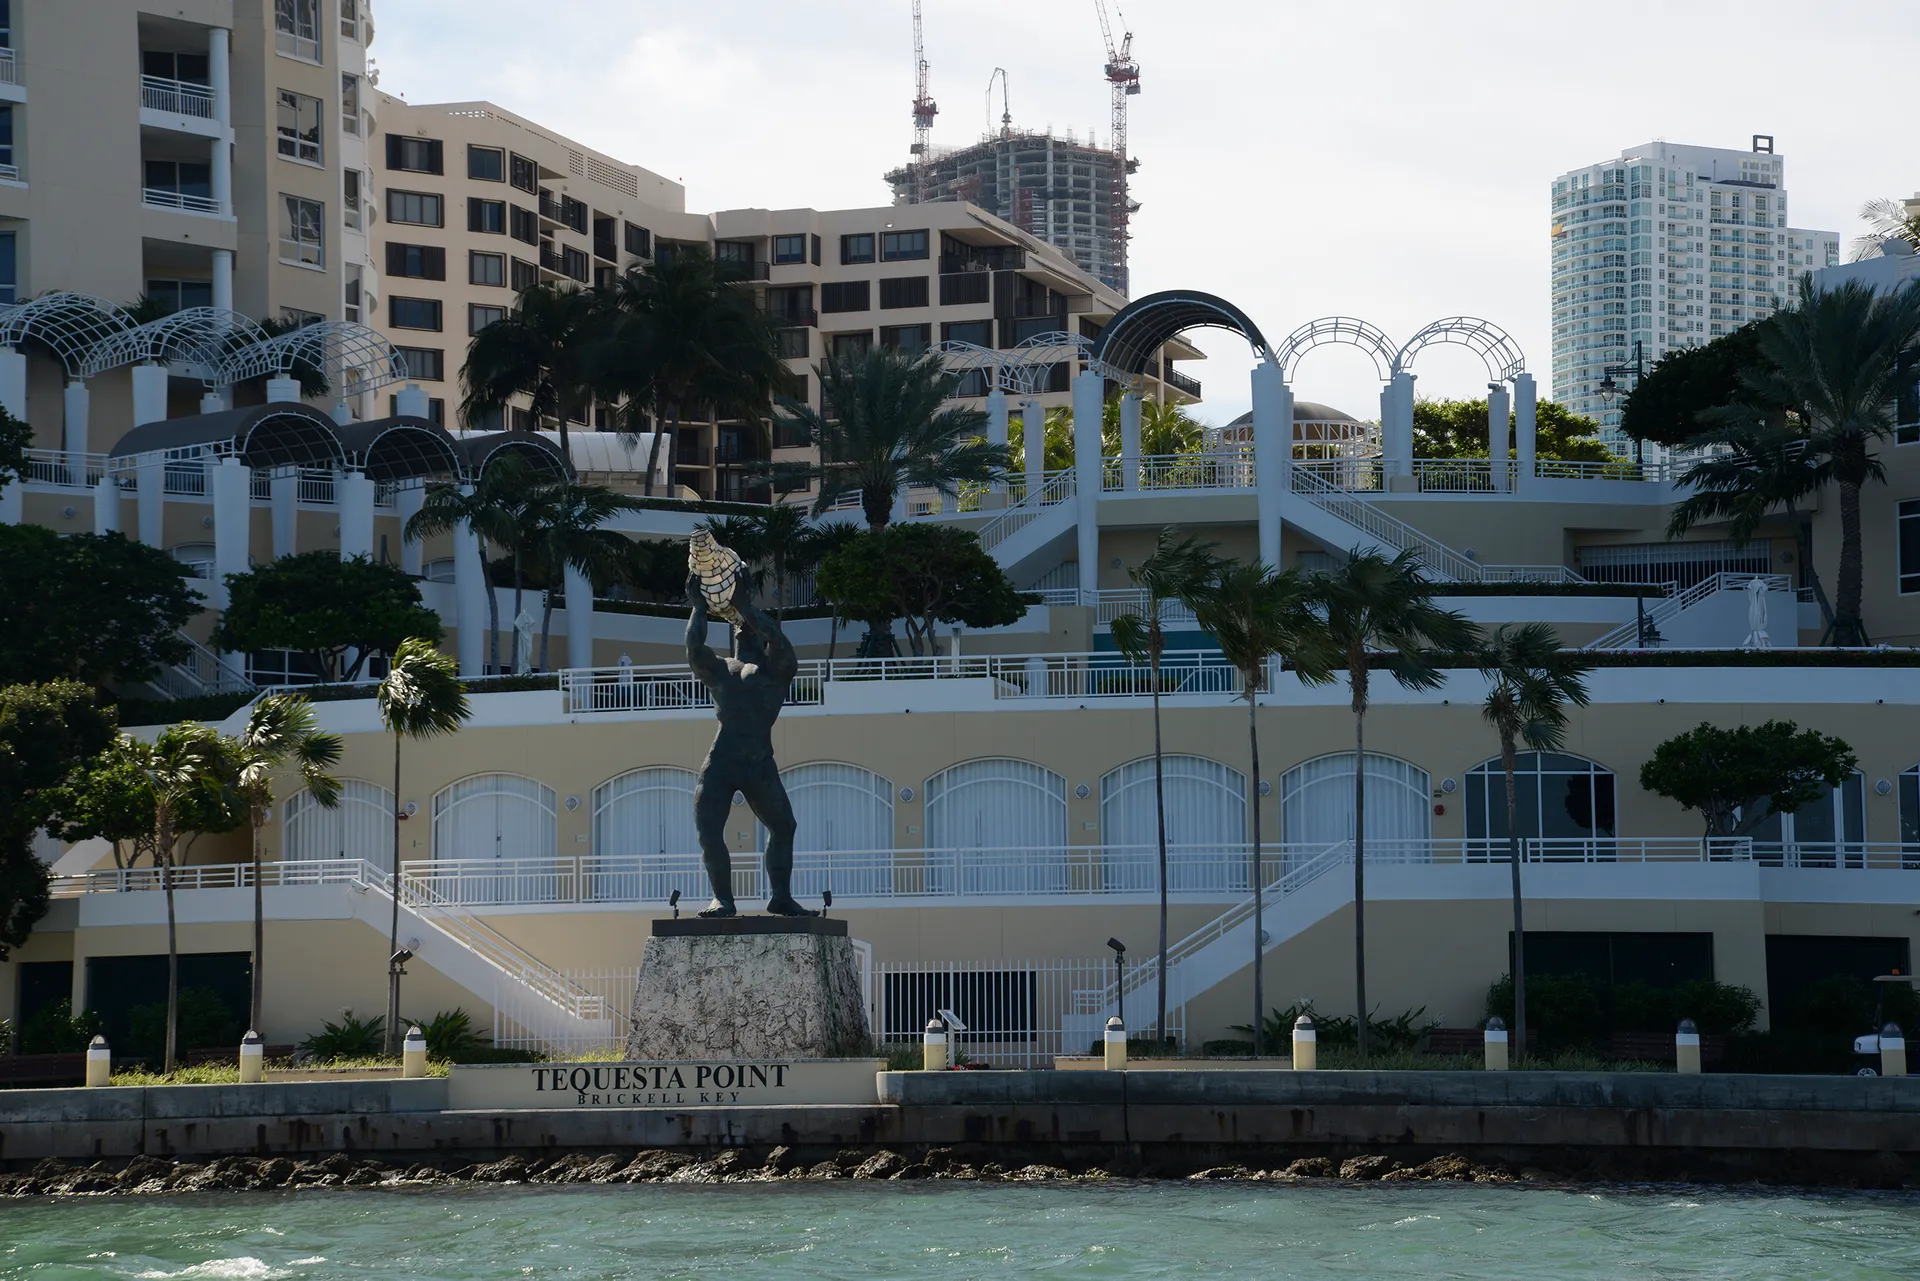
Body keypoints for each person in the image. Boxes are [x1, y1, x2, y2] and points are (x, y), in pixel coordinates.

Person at [685, 572, 807, 916]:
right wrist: (698, 607)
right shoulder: (723, 669)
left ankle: (780, 896)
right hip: (720, 761)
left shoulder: (777, 669)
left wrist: (745, 608)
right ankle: (722, 899)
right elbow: (694, 650)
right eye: (741, 627)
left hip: (758, 762)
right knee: (708, 828)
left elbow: (781, 642)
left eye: (751, 627)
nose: (745, 630)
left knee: (784, 826)